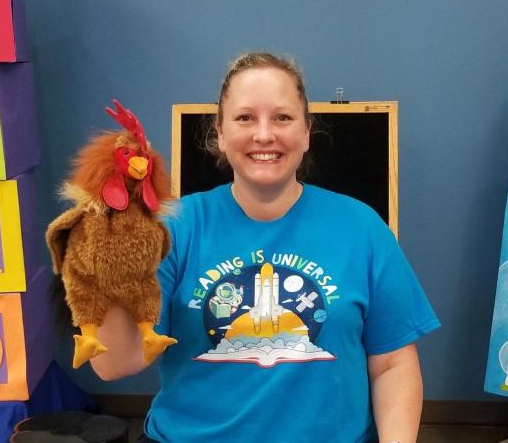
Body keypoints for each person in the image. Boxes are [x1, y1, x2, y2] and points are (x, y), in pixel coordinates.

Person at [90, 52, 440, 443]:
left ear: (306, 132)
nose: (264, 134)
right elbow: (114, 363)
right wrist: (111, 266)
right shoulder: (173, 227)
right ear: (220, 133)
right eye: (244, 118)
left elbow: (392, 364)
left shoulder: (361, 228)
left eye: (282, 117)